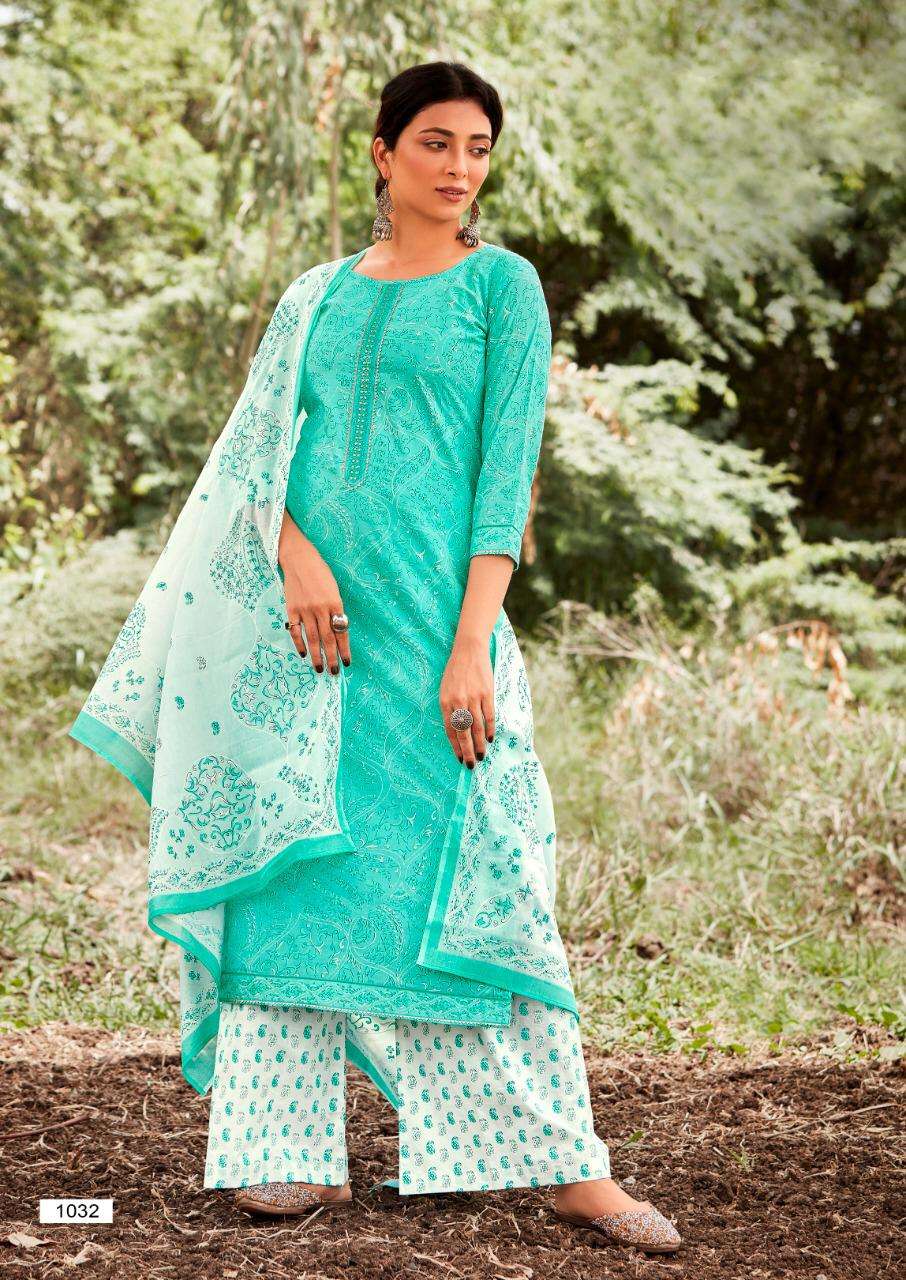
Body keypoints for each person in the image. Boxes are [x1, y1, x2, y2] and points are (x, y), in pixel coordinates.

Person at [69, 60, 681, 1256]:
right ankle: (285, 1150)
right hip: (308, 642)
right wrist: (294, 554)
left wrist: (472, 643)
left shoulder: (502, 288)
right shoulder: (314, 298)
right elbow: (253, 458)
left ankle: (567, 1163)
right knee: (295, 869)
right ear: (383, 152)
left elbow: (505, 476)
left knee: (486, 870)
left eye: (479, 148)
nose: (460, 168)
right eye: (437, 142)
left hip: (440, 632)